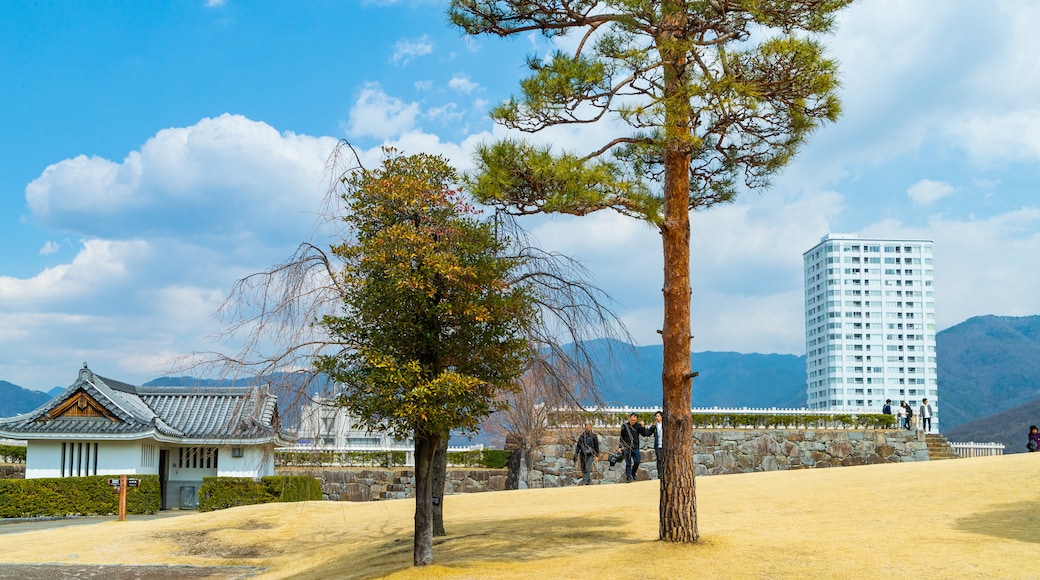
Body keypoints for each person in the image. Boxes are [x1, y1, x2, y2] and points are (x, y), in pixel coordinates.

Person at [617, 413, 651, 483]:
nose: (633, 421)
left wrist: (643, 427)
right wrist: (620, 447)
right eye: (632, 420)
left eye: (634, 420)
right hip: (626, 447)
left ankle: (633, 473)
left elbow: (644, 434)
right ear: (629, 418)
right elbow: (621, 437)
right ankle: (628, 477)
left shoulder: (638, 426)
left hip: (635, 447)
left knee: (637, 461)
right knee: (628, 463)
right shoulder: (625, 426)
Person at [651, 411, 664, 479]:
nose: (657, 417)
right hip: (657, 445)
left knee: (665, 460)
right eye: (656, 416)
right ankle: (660, 474)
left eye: (658, 416)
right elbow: (648, 432)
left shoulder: (665, 425)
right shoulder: (654, 426)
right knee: (659, 459)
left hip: (665, 445)